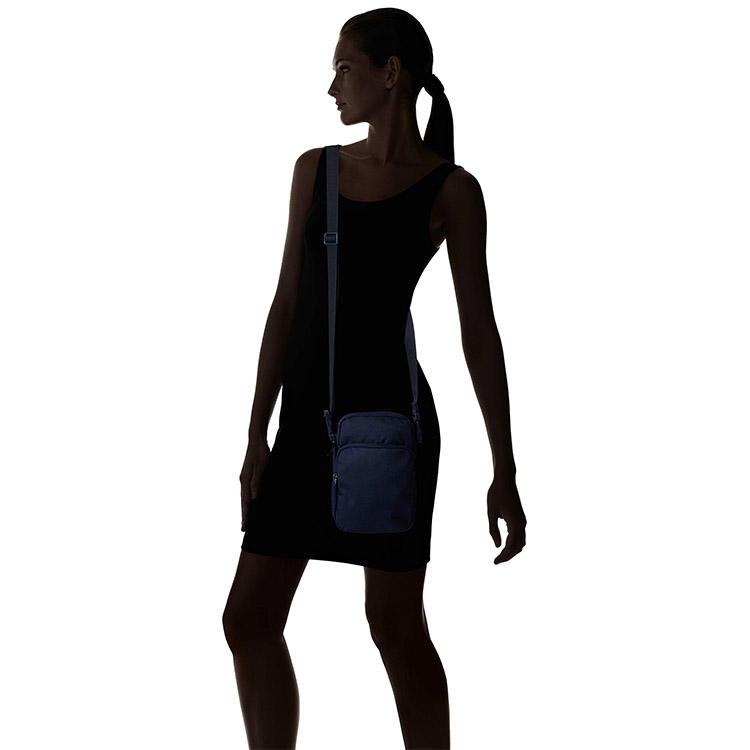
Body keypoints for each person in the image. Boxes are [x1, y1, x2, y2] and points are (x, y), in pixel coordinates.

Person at [222, 8, 526, 749]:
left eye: (344, 68)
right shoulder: (315, 170)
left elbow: (479, 334)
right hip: (304, 424)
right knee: (248, 618)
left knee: (393, 623)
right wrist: (256, 433)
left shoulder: (452, 190)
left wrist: (505, 467)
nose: (332, 87)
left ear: (391, 74)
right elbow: (286, 304)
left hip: (391, 427)